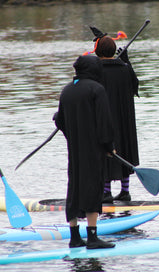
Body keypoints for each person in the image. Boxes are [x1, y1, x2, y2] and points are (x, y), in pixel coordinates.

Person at [55, 55, 115, 249]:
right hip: (93, 149)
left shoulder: (67, 90)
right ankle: (92, 238)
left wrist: (72, 137)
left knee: (74, 187)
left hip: (74, 149)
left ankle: (74, 237)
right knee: (93, 188)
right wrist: (108, 146)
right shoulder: (97, 89)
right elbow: (104, 121)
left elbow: (60, 121)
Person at [89, 27, 139, 203]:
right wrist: (127, 62)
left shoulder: (95, 71)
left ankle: (106, 192)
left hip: (104, 120)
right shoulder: (124, 69)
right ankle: (125, 191)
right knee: (123, 149)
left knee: (105, 151)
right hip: (124, 119)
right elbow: (135, 86)